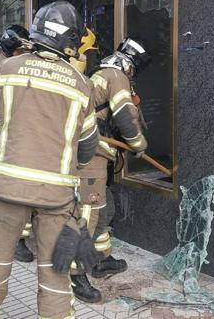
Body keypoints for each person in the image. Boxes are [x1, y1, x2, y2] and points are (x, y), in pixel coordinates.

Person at [0, 1, 100, 319]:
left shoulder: (8, 68)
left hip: (6, 192)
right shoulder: (82, 85)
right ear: (71, 42)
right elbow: (88, 146)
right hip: (56, 198)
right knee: (55, 280)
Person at [71, 36, 151, 303]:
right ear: (130, 63)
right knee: (87, 215)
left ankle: (101, 260)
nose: (132, 74)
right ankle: (76, 274)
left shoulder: (104, 74)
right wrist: (139, 144)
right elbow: (125, 114)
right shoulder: (115, 76)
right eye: (134, 69)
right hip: (91, 155)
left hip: (97, 154)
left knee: (101, 211)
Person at [0, 23, 35, 263]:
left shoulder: (13, 63)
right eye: (23, 49)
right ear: (13, 48)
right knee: (8, 190)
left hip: (14, 135)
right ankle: (14, 241)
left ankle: (20, 234)